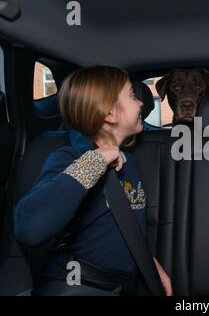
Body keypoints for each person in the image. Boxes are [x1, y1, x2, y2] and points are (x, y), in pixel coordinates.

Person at [13, 66, 172, 296]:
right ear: (109, 114)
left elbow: (127, 227)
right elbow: (29, 227)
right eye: (132, 96)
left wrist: (150, 263)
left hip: (121, 286)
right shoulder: (70, 159)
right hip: (77, 285)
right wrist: (95, 162)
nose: (140, 103)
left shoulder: (131, 163)